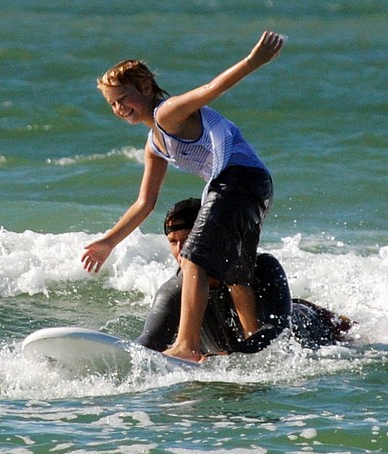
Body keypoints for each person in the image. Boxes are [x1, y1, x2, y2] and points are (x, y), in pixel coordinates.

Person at [82, 31, 287, 362]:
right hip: (254, 185)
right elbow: (144, 203)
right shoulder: (154, 144)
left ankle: (186, 345)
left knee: (193, 258)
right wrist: (109, 241)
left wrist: (252, 62)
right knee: (238, 270)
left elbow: (210, 91)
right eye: (113, 104)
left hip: (236, 181)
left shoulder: (167, 114)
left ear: (146, 88)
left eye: (124, 98)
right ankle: (254, 348)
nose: (120, 108)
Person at [136, 198, 353, 356]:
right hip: (239, 348)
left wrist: (233, 355)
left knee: (356, 337)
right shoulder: (174, 292)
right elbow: (149, 342)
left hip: (312, 326)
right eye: (173, 241)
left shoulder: (263, 267)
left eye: (188, 238)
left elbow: (276, 331)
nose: (182, 249)